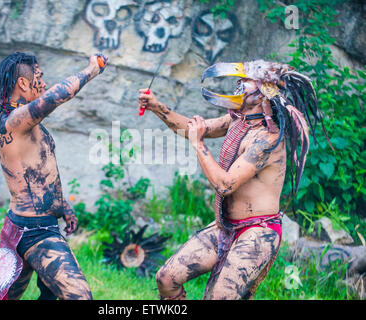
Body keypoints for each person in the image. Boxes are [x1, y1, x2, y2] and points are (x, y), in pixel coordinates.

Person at [138, 60, 329, 300]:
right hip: (226, 224)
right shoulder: (237, 122)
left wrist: (198, 144)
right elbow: (192, 128)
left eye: (247, 80)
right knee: (166, 278)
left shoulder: (268, 139)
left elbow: (225, 184)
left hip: (258, 232)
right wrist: (157, 106)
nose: (239, 83)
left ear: (265, 91)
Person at [0, 51, 108, 300]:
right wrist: (93, 68)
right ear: (23, 84)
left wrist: (62, 206)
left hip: (23, 226)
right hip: (34, 231)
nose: (45, 83)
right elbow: (58, 95)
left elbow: (40, 171)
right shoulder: (14, 122)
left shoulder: (24, 123)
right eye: (39, 77)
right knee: (80, 297)